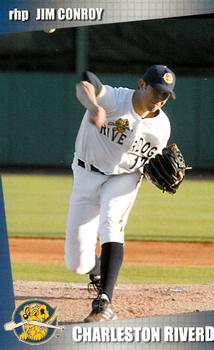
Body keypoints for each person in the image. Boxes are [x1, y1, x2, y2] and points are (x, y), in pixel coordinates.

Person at [65, 64, 177, 323]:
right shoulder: (116, 99)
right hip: (86, 174)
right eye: (157, 91)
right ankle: (95, 268)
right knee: (76, 263)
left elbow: (152, 162)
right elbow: (86, 82)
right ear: (142, 84)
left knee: (110, 223)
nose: (160, 99)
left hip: (125, 178)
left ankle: (104, 303)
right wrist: (94, 107)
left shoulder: (161, 127)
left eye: (165, 95)